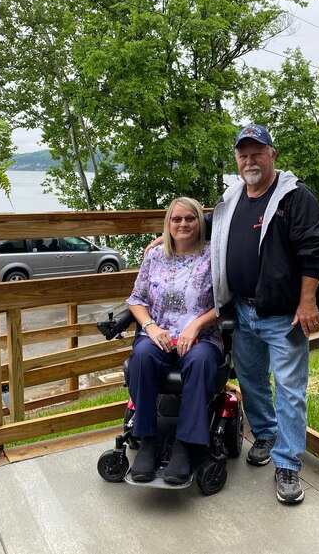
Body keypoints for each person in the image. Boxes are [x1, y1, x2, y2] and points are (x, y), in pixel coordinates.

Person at [211, 123, 319, 504]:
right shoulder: (231, 198)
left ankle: (288, 465)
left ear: (272, 155)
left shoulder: (294, 197)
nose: (250, 160)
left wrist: (307, 301)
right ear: (236, 159)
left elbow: (314, 250)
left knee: (290, 393)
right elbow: (210, 233)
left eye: (257, 153)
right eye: (243, 154)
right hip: (242, 312)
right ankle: (265, 434)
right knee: (252, 383)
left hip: (283, 316)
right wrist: (167, 236)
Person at [126, 196, 222, 485]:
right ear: (168, 224)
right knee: (141, 356)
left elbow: (226, 304)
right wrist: (151, 327)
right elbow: (136, 300)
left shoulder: (213, 257)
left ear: (200, 222)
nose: (183, 224)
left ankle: (185, 445)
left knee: (201, 360)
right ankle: (148, 441)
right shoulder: (155, 256)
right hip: (159, 335)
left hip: (201, 336)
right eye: (176, 219)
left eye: (190, 218)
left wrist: (196, 324)